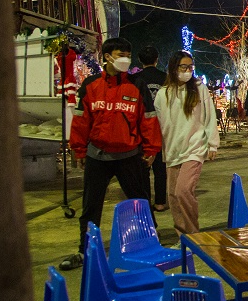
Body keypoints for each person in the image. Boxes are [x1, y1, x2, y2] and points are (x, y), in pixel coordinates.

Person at [60, 37, 161, 270]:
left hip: (129, 156)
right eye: (120, 54)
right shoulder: (91, 85)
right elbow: (81, 120)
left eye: (128, 54)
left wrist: (151, 148)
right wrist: (79, 149)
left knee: (140, 203)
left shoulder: (137, 85)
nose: (125, 58)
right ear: (107, 57)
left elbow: (148, 119)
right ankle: (85, 251)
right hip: (98, 156)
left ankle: (149, 246)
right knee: (90, 207)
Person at [155, 51, 218, 238]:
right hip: (173, 149)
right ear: (174, 68)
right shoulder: (162, 94)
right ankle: (182, 235)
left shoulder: (199, 88)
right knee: (173, 196)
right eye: (184, 67)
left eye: (191, 67)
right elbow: (158, 123)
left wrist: (212, 143)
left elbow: (209, 116)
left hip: (194, 148)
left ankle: (193, 233)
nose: (188, 70)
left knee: (183, 190)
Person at [132, 45, 169, 212]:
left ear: (140, 60)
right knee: (160, 167)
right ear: (157, 59)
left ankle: (145, 202)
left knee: (143, 167)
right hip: (162, 126)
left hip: (142, 127)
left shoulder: (134, 79)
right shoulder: (166, 78)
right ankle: (160, 202)